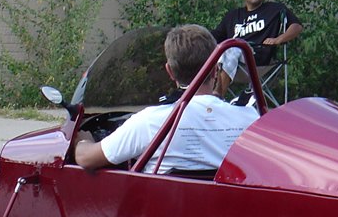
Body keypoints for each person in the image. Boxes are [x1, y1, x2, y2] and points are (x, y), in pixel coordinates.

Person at [74, 24, 258, 174]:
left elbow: (86, 159)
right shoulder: (250, 120)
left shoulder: (150, 121)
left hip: (163, 216)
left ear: (170, 71)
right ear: (216, 69)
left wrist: (82, 141)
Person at [212, 0, 302, 97]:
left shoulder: (274, 10)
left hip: (258, 59)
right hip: (231, 62)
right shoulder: (232, 16)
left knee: (234, 47)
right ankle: (194, 97)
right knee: (206, 50)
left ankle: (217, 97)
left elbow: (297, 26)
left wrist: (278, 39)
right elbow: (216, 36)